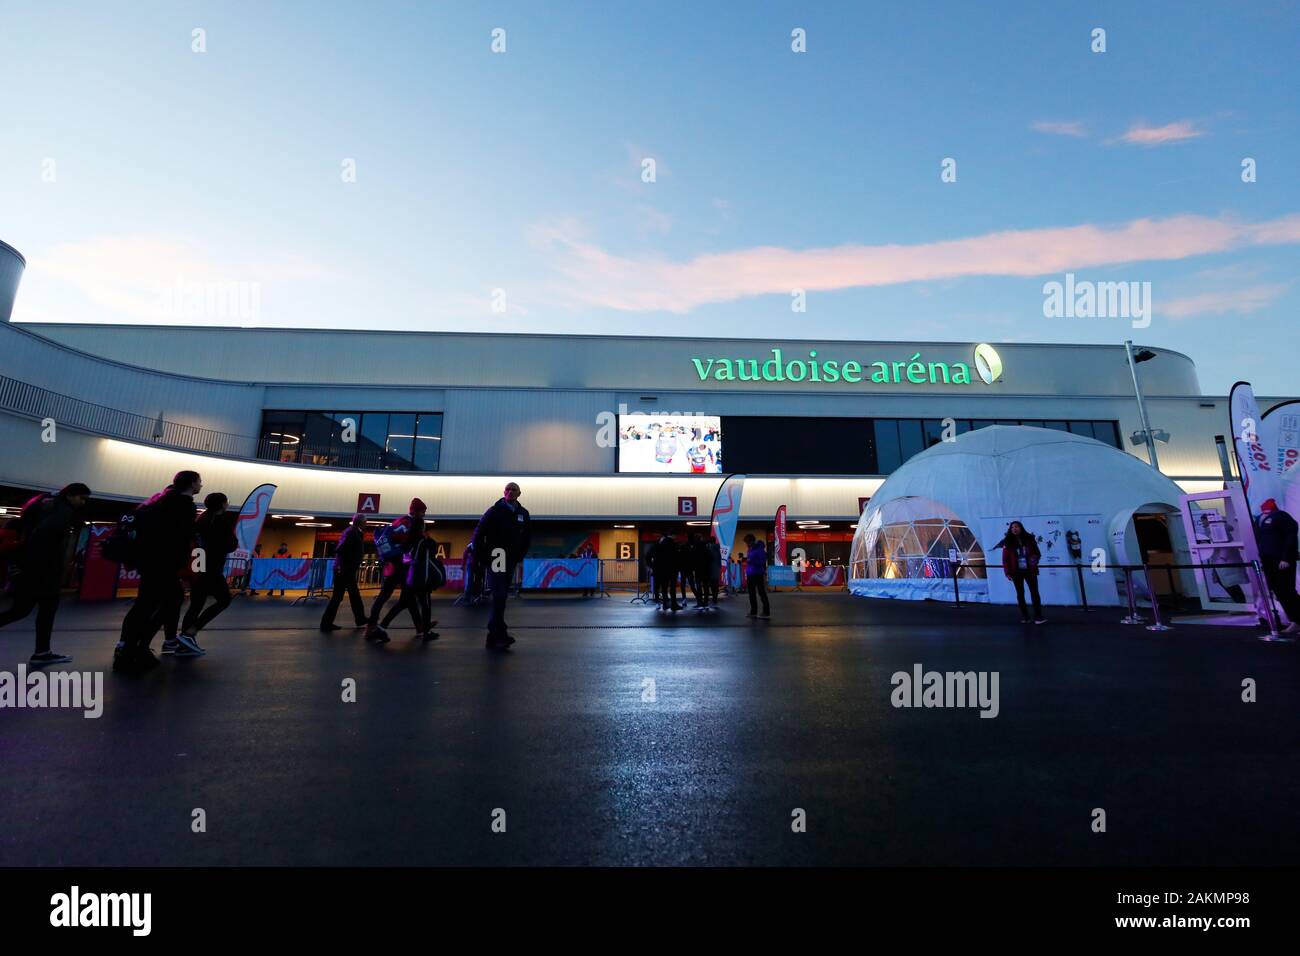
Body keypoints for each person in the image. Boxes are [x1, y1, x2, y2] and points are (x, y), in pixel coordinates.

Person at [115, 470, 203, 671]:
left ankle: (128, 646)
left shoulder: (161, 501)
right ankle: (137, 648)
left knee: (146, 604)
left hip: (150, 561)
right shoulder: (184, 506)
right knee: (169, 601)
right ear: (191, 484)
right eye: (199, 481)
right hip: (165, 563)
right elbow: (182, 535)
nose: (201, 485)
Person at [0, 483, 90, 666]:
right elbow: (45, 539)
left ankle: (42, 651)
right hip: (42, 573)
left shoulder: (46, 504)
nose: (83, 502)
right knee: (39, 611)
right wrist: (46, 568)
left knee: (23, 610)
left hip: (33, 570)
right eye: (82, 498)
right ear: (70, 495)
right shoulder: (61, 511)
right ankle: (42, 652)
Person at [173, 491, 238, 652]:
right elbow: (231, 545)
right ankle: (191, 632)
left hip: (198, 566)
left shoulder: (201, 519)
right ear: (222, 504)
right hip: (213, 568)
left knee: (196, 605)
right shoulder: (221, 521)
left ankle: (184, 642)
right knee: (224, 600)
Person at [471, 481, 531, 649]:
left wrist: (520, 555)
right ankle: (499, 633)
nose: (510, 492)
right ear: (503, 492)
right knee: (499, 595)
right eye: (508, 489)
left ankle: (493, 636)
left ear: (519, 493)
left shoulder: (523, 514)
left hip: (510, 558)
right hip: (497, 557)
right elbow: (478, 534)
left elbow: (527, 536)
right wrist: (482, 557)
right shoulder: (494, 511)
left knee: (501, 596)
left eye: (514, 490)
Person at [365, 498, 426, 643]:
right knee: (407, 598)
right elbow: (410, 544)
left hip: (392, 564)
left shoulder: (399, 521)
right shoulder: (414, 524)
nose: (424, 514)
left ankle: (371, 626)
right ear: (417, 511)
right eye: (423, 511)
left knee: (386, 596)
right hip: (403, 565)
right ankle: (381, 628)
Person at [376, 528, 440, 641]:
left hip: (409, 576)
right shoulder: (423, 542)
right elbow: (432, 552)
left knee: (405, 603)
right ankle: (425, 631)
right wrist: (428, 539)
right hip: (420, 576)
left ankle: (382, 627)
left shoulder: (406, 542)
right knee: (425, 604)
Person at [1255, 499, 1300, 633]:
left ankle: (1298, 619)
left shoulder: (1282, 517)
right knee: (1278, 591)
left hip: (1281, 560)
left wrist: (1286, 557)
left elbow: (1291, 537)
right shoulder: (1259, 519)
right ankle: (1295, 620)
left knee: (1287, 591)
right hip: (1268, 560)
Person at [320, 513, 368, 631]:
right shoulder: (352, 533)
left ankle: (327, 622)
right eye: (365, 521)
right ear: (360, 522)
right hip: (345, 570)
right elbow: (341, 549)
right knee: (348, 595)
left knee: (345, 595)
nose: (366, 523)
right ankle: (359, 619)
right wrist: (345, 564)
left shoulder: (352, 532)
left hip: (344, 569)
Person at [999, 521, 1045, 624]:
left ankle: (1038, 617)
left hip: (1030, 570)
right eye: (1012, 527)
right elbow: (1005, 559)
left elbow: (1037, 553)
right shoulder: (1007, 541)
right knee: (1020, 594)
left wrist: (1034, 559)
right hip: (1016, 571)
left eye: (1016, 526)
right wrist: (1007, 572)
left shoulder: (1029, 539)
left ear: (1021, 528)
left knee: (1034, 593)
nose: (1014, 529)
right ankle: (1025, 617)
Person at [651, 531, 681, 611]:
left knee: (664, 587)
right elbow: (677, 557)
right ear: (672, 535)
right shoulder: (673, 544)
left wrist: (653, 566)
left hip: (663, 570)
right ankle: (673, 604)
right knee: (672, 587)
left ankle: (665, 604)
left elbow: (650, 556)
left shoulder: (659, 545)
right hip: (673, 569)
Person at [744, 533, 771, 618]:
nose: (746, 544)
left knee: (761, 593)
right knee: (751, 593)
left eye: (747, 542)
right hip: (750, 573)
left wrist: (751, 561)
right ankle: (753, 612)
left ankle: (766, 612)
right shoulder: (750, 549)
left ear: (751, 541)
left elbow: (762, 562)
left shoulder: (759, 550)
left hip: (758, 573)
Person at [702, 534, 722, 609]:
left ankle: (707, 600)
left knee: (708, 585)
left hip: (709, 570)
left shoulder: (709, 548)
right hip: (716, 570)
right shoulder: (717, 549)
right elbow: (719, 560)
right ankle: (715, 599)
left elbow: (708, 559)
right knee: (715, 586)